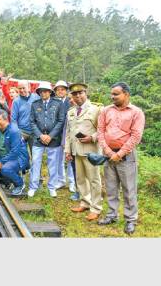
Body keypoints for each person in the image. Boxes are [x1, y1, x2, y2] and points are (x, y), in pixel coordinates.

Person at [97, 82, 145, 235]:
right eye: (112, 94)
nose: (112, 97)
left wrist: (120, 154)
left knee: (129, 189)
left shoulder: (136, 112)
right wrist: (109, 152)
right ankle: (112, 215)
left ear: (126, 94)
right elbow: (100, 132)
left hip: (126, 157)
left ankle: (131, 220)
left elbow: (136, 136)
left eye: (116, 94)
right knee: (111, 188)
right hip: (108, 154)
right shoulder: (106, 110)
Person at [64, 83, 103, 221]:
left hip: (91, 151)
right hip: (76, 151)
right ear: (72, 96)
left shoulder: (97, 109)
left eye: (80, 93)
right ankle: (85, 202)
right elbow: (69, 133)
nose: (78, 96)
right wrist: (67, 150)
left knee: (94, 180)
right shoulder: (71, 112)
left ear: (86, 93)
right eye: (75, 94)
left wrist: (92, 137)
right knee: (80, 179)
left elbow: (103, 130)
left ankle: (96, 208)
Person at [29, 81, 65, 198]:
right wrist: (40, 135)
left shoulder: (58, 104)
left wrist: (51, 135)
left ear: (50, 92)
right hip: (38, 139)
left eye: (45, 91)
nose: (43, 93)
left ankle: (52, 187)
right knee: (35, 162)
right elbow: (32, 122)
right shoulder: (35, 104)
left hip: (53, 140)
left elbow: (61, 121)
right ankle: (33, 187)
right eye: (41, 91)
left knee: (53, 164)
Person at [0, 109, 30, 196]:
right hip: (3, 157)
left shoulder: (14, 131)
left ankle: (20, 184)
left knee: (5, 169)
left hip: (18, 158)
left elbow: (15, 152)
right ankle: (7, 181)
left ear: (5, 119)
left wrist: (0, 163)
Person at [53, 80, 76, 192]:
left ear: (66, 91)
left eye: (62, 89)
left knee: (70, 159)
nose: (60, 91)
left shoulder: (71, 101)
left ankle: (72, 182)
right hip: (57, 135)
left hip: (70, 134)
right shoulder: (53, 102)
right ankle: (61, 180)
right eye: (58, 90)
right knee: (59, 159)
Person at [11, 80, 40, 157]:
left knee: (35, 156)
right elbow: (13, 119)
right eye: (20, 88)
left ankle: (35, 169)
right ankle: (23, 167)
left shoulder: (36, 98)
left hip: (34, 131)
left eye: (24, 88)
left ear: (29, 87)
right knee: (19, 154)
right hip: (22, 131)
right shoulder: (16, 101)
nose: (22, 90)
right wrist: (17, 134)